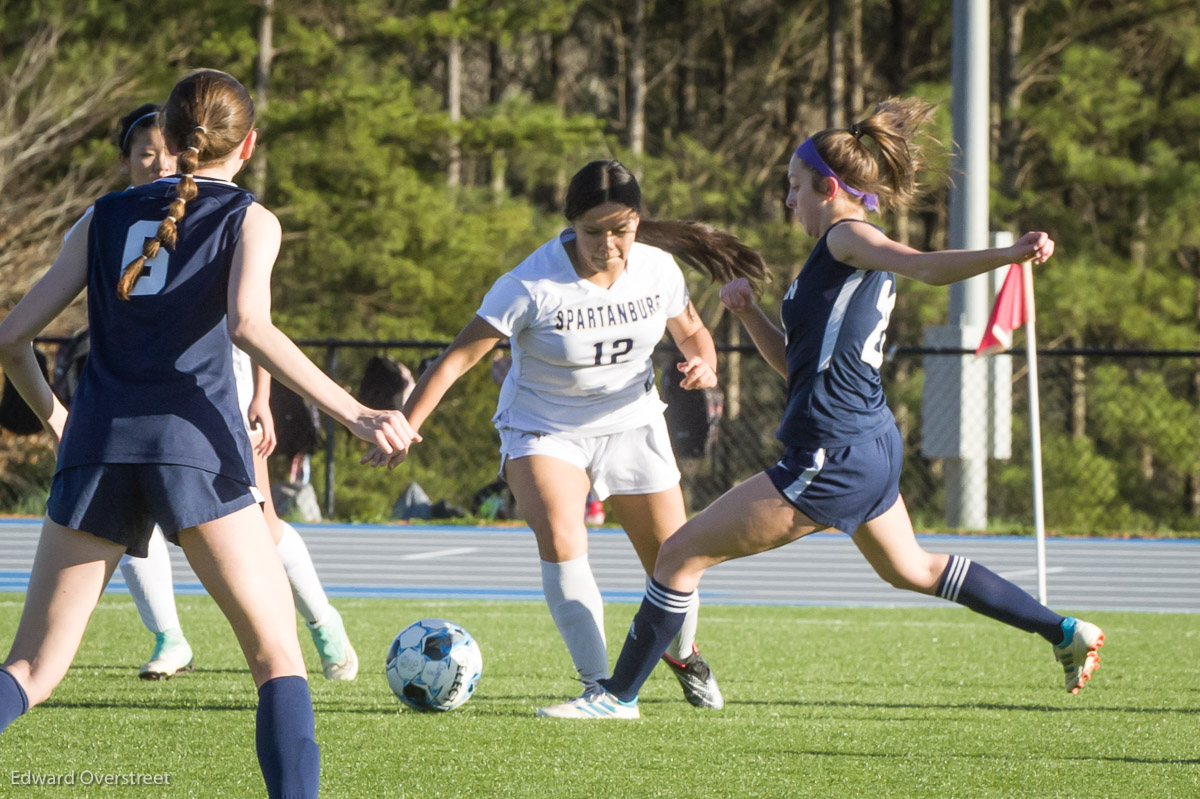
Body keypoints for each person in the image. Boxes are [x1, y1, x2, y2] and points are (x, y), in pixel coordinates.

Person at [538, 98, 1105, 720]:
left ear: (829, 188)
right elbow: (794, 364)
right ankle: (1062, 630)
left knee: (678, 556)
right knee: (912, 568)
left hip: (833, 454)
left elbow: (924, 267)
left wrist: (1008, 255)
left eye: (794, 187)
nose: (788, 201)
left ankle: (617, 698)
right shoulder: (837, 250)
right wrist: (749, 313)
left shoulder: (847, 236)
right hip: (869, 442)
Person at [0, 69, 417, 797]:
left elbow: (11, 337)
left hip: (97, 445)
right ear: (247, 144)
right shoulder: (250, 218)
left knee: (30, 671)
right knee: (276, 658)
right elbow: (250, 325)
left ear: (166, 132)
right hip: (195, 448)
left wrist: (58, 418)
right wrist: (359, 413)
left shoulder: (100, 217)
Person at [369, 160, 768, 713]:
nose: (609, 244)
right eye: (593, 232)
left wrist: (705, 364)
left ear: (638, 222)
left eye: (621, 230)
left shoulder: (658, 270)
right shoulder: (530, 284)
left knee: (676, 559)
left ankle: (684, 654)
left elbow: (694, 332)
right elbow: (455, 360)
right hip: (543, 428)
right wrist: (405, 427)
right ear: (570, 225)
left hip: (633, 424)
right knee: (561, 536)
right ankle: (601, 688)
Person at [78, 105, 360, 682]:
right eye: (143, 153)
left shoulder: (229, 214)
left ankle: (321, 623)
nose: (157, 161)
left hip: (212, 395)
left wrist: (261, 393)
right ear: (126, 160)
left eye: (164, 148)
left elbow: (252, 321)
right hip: (135, 405)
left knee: (260, 520)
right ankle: (171, 637)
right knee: (131, 527)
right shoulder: (110, 219)